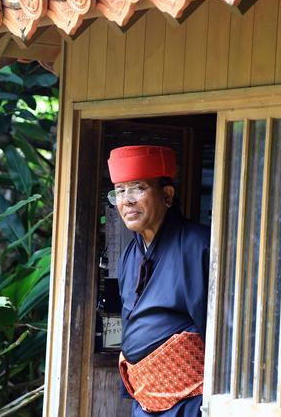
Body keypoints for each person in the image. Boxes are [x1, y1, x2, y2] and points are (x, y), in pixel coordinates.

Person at [107, 145, 210, 417]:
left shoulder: (198, 246)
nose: (126, 200)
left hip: (190, 400)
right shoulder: (130, 254)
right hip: (144, 399)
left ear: (167, 195)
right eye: (119, 191)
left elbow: (220, 327)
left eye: (138, 188)